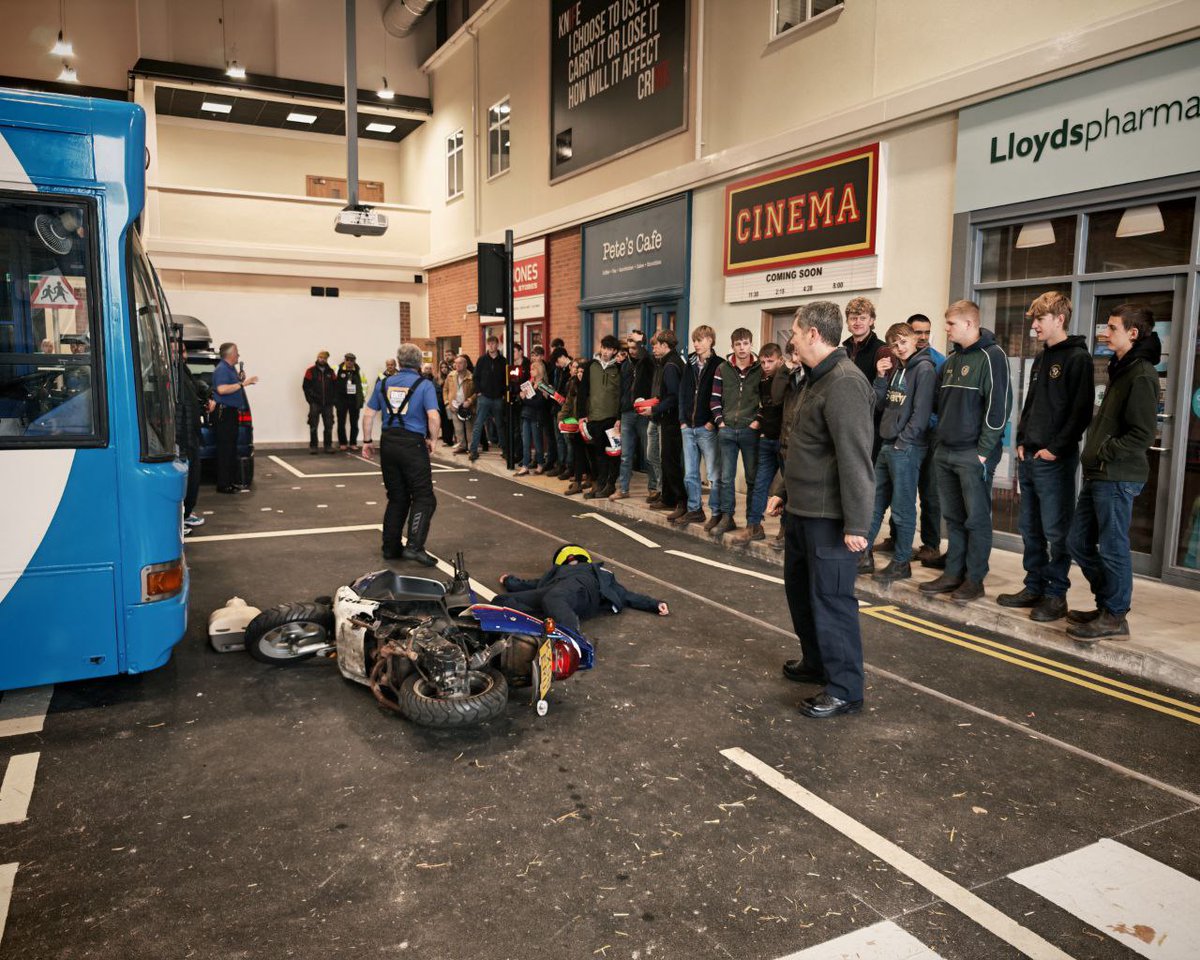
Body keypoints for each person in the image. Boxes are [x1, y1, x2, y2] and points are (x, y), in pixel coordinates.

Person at [766, 301, 875, 719]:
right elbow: (800, 443)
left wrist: (858, 524)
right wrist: (781, 489)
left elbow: (855, 459)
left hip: (830, 519)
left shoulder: (845, 383)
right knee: (801, 591)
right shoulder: (814, 380)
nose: (790, 338)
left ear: (813, 334)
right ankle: (816, 662)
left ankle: (846, 688)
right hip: (803, 510)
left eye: (794, 331)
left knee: (831, 599)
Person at [1066, 303, 1160, 642]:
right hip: (1100, 474)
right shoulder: (1121, 367)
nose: (1104, 333)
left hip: (1117, 476)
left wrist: (1104, 452)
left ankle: (1116, 615)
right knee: (1078, 542)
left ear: (1132, 333)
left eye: (1111, 327)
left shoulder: (1142, 373)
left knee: (1113, 547)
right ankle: (1108, 605)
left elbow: (1142, 434)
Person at [998, 292, 1093, 622]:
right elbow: (1032, 405)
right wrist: (1022, 440)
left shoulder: (1077, 358)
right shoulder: (1042, 357)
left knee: (1056, 531)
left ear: (1059, 319)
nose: (1034, 326)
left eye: (1039, 320)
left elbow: (1080, 413)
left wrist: (1054, 449)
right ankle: (1034, 585)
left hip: (1054, 461)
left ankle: (1055, 595)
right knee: (1031, 529)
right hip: (1031, 457)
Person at [919, 300, 1012, 603]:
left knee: (976, 519)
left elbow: (998, 408)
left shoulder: (992, 356)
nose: (945, 330)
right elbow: (938, 403)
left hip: (973, 453)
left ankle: (974, 579)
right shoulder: (951, 360)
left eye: (950, 325)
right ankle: (953, 573)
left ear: (970, 324)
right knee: (954, 518)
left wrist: (983, 452)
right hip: (945, 450)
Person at [861, 322, 938, 582]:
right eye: (894, 345)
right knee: (874, 503)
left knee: (903, 508)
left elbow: (922, 412)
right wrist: (880, 377)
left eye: (903, 342)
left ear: (915, 339)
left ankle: (902, 562)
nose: (899, 348)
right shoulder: (897, 370)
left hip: (906, 447)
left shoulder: (924, 369)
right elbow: (879, 403)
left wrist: (903, 441)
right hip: (887, 443)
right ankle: (863, 554)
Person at [361, 343, 441, 567]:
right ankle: (414, 547)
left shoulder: (384, 383)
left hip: (388, 443)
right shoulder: (424, 385)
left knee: (397, 497)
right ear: (418, 363)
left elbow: (368, 415)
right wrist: (433, 440)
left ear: (398, 362)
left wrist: (367, 441)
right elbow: (433, 417)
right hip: (412, 445)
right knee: (424, 497)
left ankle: (390, 547)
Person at [496, 544, 669, 635]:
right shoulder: (557, 573)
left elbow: (626, 595)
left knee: (554, 599)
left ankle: (573, 638)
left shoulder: (597, 571)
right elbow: (532, 584)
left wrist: (654, 604)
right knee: (500, 602)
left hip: (581, 589)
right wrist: (510, 582)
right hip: (556, 590)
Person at [731, 343, 787, 543]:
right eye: (762, 362)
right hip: (766, 439)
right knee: (759, 484)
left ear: (780, 360)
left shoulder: (787, 379)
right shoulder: (762, 380)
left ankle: (784, 530)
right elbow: (763, 406)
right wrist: (762, 428)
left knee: (787, 487)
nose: (766, 365)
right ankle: (754, 526)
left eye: (770, 361)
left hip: (784, 442)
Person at [709, 328, 761, 537]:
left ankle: (752, 521)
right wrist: (720, 422)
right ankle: (727, 517)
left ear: (751, 344)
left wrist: (757, 421)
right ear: (732, 346)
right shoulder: (722, 368)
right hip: (727, 430)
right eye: (738, 344)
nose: (742, 348)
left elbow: (766, 400)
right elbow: (714, 399)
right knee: (725, 478)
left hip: (750, 431)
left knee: (752, 479)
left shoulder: (759, 369)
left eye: (746, 343)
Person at [907, 314, 947, 566]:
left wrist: (925, 423)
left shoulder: (939, 361)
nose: (922, 337)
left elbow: (941, 405)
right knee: (903, 492)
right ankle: (898, 538)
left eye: (926, 332)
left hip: (930, 438)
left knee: (930, 492)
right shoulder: (901, 360)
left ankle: (931, 545)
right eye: (917, 332)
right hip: (907, 437)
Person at [675, 325, 722, 525]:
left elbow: (723, 396)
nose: (696, 344)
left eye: (700, 340)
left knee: (713, 474)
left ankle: (717, 512)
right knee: (690, 474)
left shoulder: (719, 364)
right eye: (694, 340)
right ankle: (695, 509)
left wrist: (712, 422)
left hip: (707, 428)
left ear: (710, 340)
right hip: (689, 427)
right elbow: (683, 393)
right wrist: (683, 421)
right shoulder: (690, 363)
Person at [579, 335, 624, 499]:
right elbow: (583, 392)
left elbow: (622, 395)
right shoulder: (590, 366)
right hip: (595, 418)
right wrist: (581, 416)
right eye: (604, 348)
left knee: (613, 454)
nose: (605, 352)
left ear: (614, 351)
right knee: (598, 454)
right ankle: (599, 484)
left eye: (609, 349)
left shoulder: (619, 368)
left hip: (613, 419)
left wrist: (620, 417)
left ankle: (610, 485)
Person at [613, 329, 655, 501]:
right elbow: (621, 391)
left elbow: (654, 386)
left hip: (645, 412)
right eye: (629, 346)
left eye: (636, 346)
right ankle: (623, 489)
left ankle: (653, 489)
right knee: (625, 454)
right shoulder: (625, 365)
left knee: (649, 453)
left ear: (643, 345)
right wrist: (618, 417)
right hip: (627, 413)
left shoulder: (649, 362)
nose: (632, 349)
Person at [211, 342, 257, 493]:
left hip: (231, 413)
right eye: (236, 352)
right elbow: (222, 389)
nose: (238, 355)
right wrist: (243, 384)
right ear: (230, 354)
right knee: (225, 450)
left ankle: (230, 482)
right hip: (224, 414)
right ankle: (224, 484)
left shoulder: (230, 369)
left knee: (231, 449)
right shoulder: (222, 369)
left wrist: (238, 379)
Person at [651, 328, 687, 516]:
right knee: (668, 460)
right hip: (673, 419)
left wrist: (655, 408)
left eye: (656, 346)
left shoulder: (671, 366)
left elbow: (673, 396)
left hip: (672, 420)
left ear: (665, 346)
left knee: (670, 460)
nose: (654, 349)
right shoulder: (673, 361)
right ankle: (668, 497)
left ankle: (679, 500)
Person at [177, 358, 212, 533]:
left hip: (190, 434)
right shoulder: (175, 372)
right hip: (184, 435)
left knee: (193, 476)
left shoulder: (184, 373)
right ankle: (181, 518)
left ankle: (186, 514)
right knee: (186, 478)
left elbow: (191, 401)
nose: (183, 353)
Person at [470, 335, 507, 461]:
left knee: (500, 424)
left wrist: (503, 393)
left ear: (498, 345)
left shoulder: (503, 361)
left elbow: (506, 379)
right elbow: (475, 377)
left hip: (498, 398)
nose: (491, 346)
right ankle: (473, 450)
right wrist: (479, 391)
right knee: (478, 424)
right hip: (484, 397)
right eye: (489, 344)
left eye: (493, 343)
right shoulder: (482, 360)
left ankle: (505, 450)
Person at [517, 358, 550, 475]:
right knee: (525, 441)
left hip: (536, 416)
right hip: (526, 415)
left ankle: (540, 463)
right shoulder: (529, 383)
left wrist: (525, 398)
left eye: (533, 369)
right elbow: (522, 400)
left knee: (537, 442)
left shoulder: (543, 385)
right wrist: (522, 397)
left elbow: (539, 403)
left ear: (539, 370)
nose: (530, 371)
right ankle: (525, 465)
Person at [843, 296, 885, 384]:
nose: (858, 322)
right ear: (847, 321)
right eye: (853, 318)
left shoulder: (882, 349)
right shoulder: (843, 350)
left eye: (863, 318)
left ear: (871, 321)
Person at [303, 350, 337, 454]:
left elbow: (336, 387)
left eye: (324, 358)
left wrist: (333, 400)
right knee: (313, 425)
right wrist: (310, 400)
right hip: (315, 403)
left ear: (327, 359)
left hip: (328, 404)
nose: (322, 359)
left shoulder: (331, 372)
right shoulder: (310, 371)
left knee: (328, 425)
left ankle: (328, 446)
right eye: (320, 357)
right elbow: (305, 387)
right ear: (317, 358)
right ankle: (313, 446)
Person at [443, 354, 476, 454]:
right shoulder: (450, 376)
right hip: (454, 406)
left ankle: (471, 447)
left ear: (465, 364)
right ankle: (462, 446)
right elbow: (445, 389)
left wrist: (470, 400)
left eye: (460, 363)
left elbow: (477, 392)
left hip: (467, 406)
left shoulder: (472, 377)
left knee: (469, 428)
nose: (457, 365)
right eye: (456, 363)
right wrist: (447, 403)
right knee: (458, 428)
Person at [335, 352, 366, 451]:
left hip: (354, 401)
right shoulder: (337, 370)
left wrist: (361, 399)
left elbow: (364, 386)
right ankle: (342, 443)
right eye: (347, 360)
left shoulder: (359, 372)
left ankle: (353, 443)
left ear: (354, 361)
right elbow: (332, 385)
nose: (349, 362)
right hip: (341, 401)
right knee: (341, 422)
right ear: (344, 360)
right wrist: (335, 399)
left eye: (351, 360)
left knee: (354, 423)